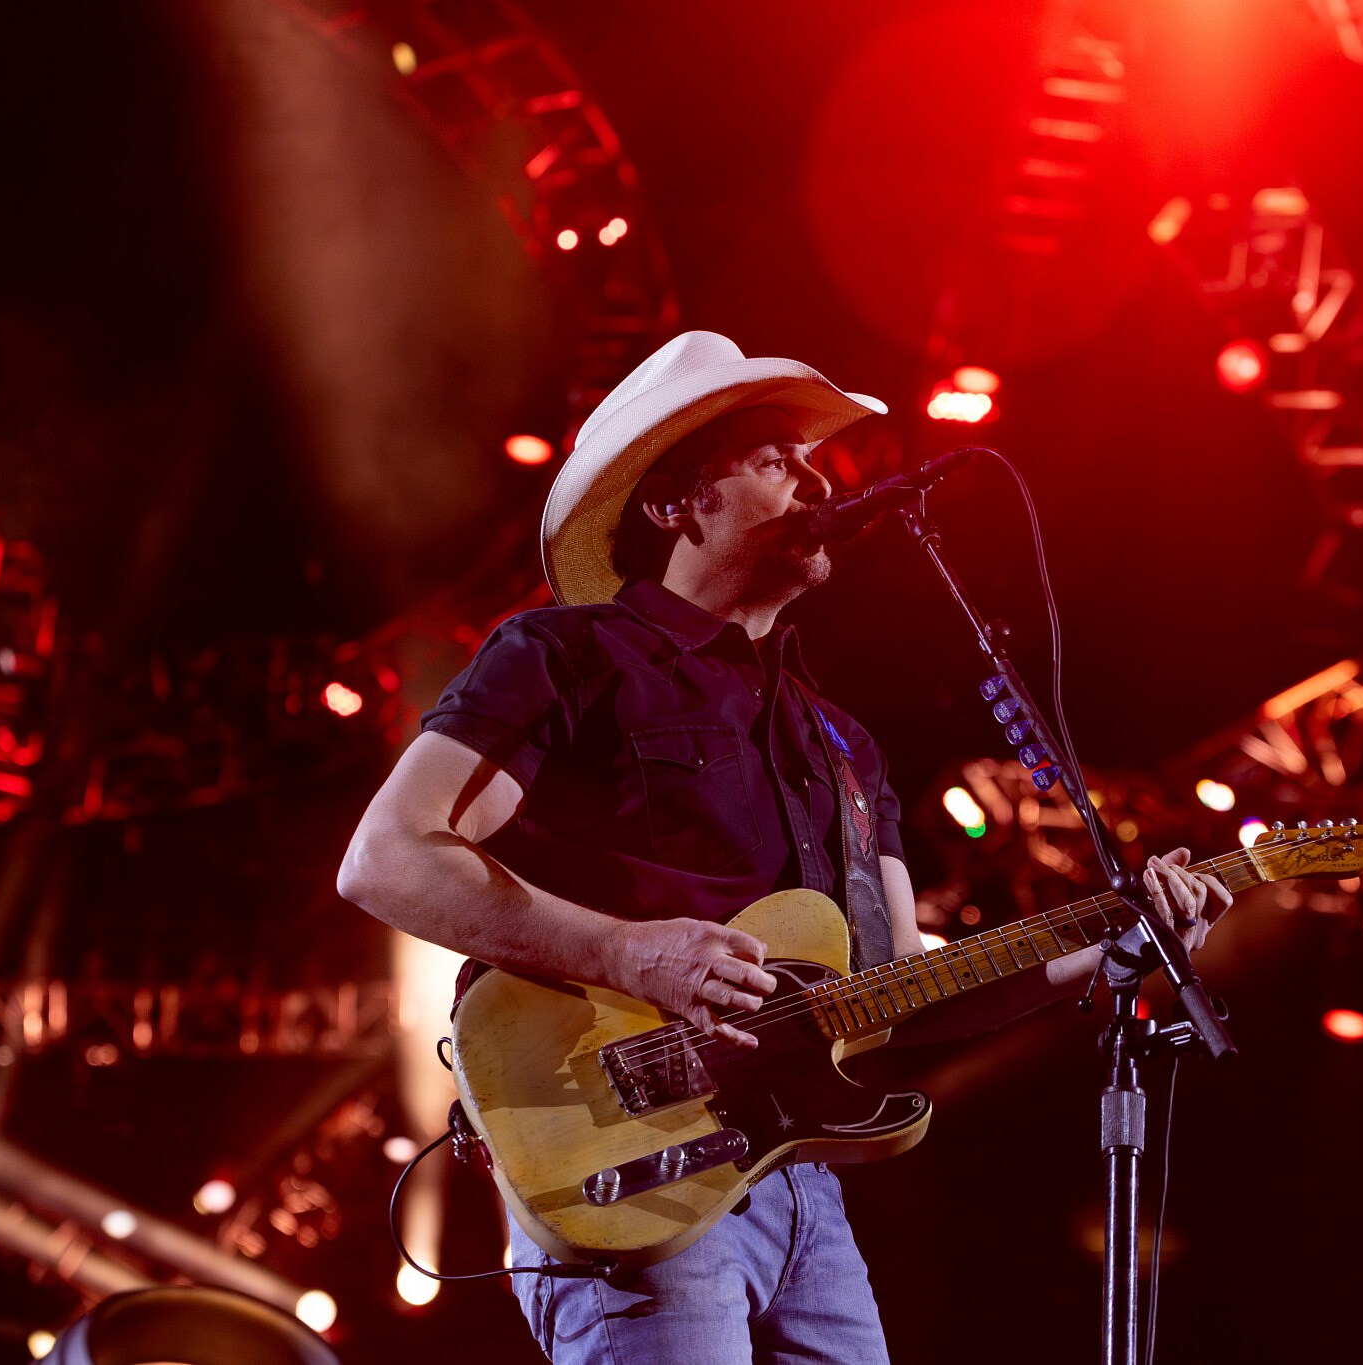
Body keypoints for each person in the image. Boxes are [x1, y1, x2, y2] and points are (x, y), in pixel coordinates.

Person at [336, 331, 1230, 1364]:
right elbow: (387, 859)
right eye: (776, 460)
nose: (819, 478)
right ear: (677, 504)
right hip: (629, 1167)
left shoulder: (842, 743)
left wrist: (1101, 955)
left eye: (814, 462)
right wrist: (627, 954)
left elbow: (897, 991)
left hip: (799, 1184)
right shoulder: (566, 656)